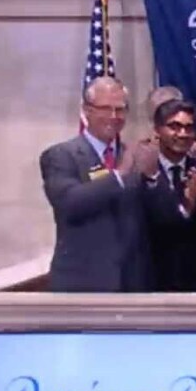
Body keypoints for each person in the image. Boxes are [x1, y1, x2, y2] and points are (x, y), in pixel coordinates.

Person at [39, 77, 158, 292]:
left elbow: (155, 215)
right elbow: (69, 204)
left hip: (133, 284)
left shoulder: (134, 153)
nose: (113, 117)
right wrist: (119, 175)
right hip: (82, 283)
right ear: (87, 110)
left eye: (120, 109)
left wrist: (152, 177)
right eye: (105, 109)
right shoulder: (61, 155)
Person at [141, 100, 196, 291]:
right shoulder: (143, 173)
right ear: (157, 130)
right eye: (174, 127)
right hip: (153, 282)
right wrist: (188, 205)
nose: (183, 134)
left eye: (188, 128)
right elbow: (155, 225)